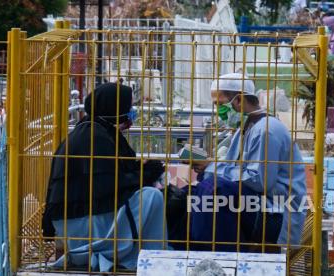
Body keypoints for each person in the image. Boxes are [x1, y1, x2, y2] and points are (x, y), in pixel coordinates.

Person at [42, 82, 166, 272]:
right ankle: (154, 257)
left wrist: (144, 172)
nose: (130, 112)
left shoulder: (96, 130)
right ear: (113, 107)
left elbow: (116, 176)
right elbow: (111, 185)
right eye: (127, 107)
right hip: (82, 222)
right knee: (152, 197)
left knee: (151, 192)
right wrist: (147, 173)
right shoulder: (93, 137)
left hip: (85, 215)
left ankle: (148, 253)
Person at [189, 73, 307, 250]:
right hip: (255, 205)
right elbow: (233, 171)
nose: (218, 110)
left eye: (220, 104)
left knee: (214, 190)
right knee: (187, 195)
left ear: (239, 100)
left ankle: (218, 255)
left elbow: (260, 181)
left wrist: (213, 167)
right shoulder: (245, 129)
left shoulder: (266, 130)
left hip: (276, 211)